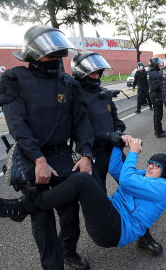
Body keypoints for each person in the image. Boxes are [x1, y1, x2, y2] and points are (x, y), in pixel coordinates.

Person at [0, 25, 95, 269]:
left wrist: (86, 154)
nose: (57, 60)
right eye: (51, 56)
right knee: (42, 220)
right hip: (33, 158)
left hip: (62, 155)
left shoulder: (69, 83)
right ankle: (52, 266)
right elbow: (16, 123)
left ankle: (68, 252)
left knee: (70, 213)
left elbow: (82, 121)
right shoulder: (13, 78)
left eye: (60, 56)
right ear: (33, 55)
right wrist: (39, 159)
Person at [0, 138, 166, 260]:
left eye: (156, 166)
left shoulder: (164, 188)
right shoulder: (143, 176)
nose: (151, 167)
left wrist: (133, 152)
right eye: (150, 163)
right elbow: (115, 169)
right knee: (86, 170)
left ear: (164, 172)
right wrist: (118, 143)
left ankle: (23, 206)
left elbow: (125, 180)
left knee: (82, 181)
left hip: (115, 229)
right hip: (109, 215)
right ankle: (34, 174)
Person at [71, 51, 127, 192]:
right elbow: (81, 132)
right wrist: (107, 136)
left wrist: (118, 133)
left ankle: (134, 212)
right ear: (81, 74)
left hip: (114, 148)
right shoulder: (76, 98)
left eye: (98, 73)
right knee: (98, 194)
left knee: (131, 184)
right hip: (93, 153)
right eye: (92, 74)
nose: (96, 76)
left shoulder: (103, 94)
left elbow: (117, 122)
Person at [148, 57, 166, 138]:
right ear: (155, 64)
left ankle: (157, 130)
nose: (160, 64)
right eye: (158, 63)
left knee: (156, 114)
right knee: (158, 115)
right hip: (156, 95)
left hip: (153, 95)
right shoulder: (155, 73)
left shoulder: (150, 72)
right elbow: (156, 86)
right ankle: (159, 132)